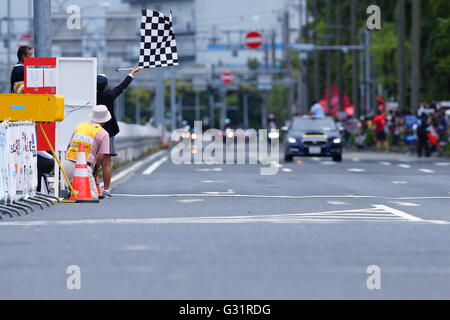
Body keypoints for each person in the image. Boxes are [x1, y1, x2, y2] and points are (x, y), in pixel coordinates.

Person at [96, 67, 140, 198]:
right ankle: (106, 190)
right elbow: (122, 86)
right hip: (109, 131)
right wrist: (132, 73)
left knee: (92, 159)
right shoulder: (110, 95)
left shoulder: (92, 96)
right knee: (107, 162)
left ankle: (92, 179)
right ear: (106, 85)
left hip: (93, 130)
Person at [62, 105, 111, 200]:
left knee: (77, 191)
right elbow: (101, 156)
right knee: (93, 196)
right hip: (83, 168)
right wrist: (95, 169)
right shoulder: (103, 133)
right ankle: (76, 191)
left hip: (66, 165)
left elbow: (69, 146)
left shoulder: (80, 126)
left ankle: (73, 190)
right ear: (105, 120)